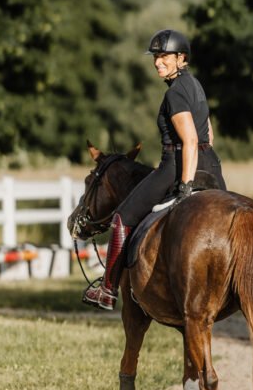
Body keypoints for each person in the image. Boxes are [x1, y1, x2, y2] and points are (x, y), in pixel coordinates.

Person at [83, 28, 226, 310]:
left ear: (181, 58)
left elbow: (190, 140)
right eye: (156, 57)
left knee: (121, 218)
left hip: (177, 164)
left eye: (164, 56)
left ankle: (108, 290)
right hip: (212, 165)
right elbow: (207, 132)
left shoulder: (175, 94)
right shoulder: (196, 86)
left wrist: (185, 186)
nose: (158, 62)